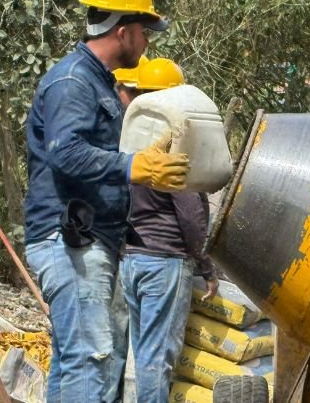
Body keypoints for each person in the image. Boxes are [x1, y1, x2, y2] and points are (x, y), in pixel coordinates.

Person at [23, 0, 189, 401]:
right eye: (145, 31)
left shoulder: (95, 81)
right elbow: (66, 154)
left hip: (84, 241)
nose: (146, 41)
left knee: (72, 362)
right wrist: (136, 165)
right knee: (90, 362)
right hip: (70, 243)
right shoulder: (74, 82)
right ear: (123, 31)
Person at [115, 57, 220, 402]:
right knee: (157, 358)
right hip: (165, 261)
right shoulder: (175, 146)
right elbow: (190, 216)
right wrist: (206, 265)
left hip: (131, 260)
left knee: (142, 353)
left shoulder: (130, 141)